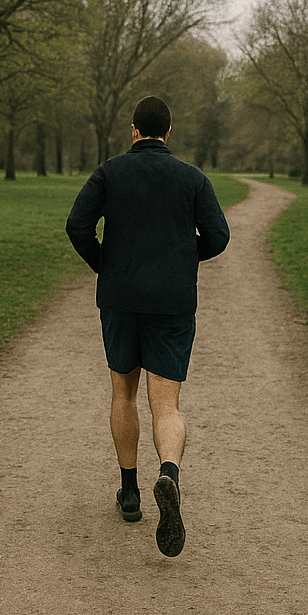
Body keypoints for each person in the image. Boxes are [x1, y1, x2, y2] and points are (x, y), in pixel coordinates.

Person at [65, 95, 229, 558]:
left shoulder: (109, 172)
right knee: (167, 403)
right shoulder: (191, 178)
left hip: (120, 300)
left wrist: (107, 265)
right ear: (168, 133)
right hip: (172, 303)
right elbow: (218, 236)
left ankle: (131, 492)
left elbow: (77, 225)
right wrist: (180, 258)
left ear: (134, 130)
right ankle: (169, 474)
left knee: (123, 394)